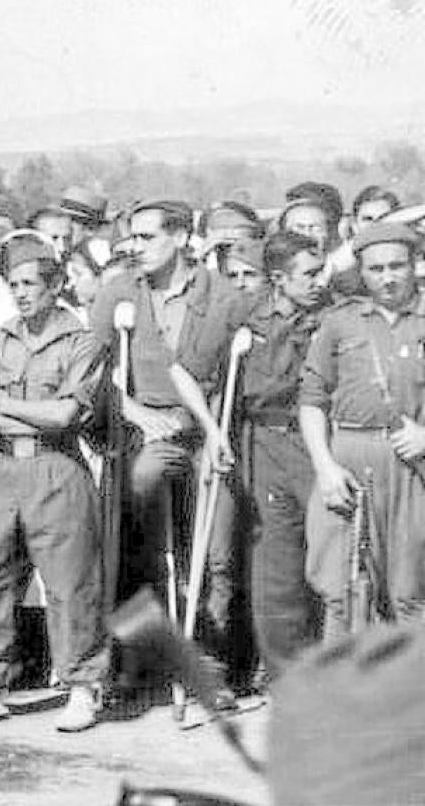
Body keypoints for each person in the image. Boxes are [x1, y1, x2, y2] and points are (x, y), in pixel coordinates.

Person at [0, 235, 107, 733]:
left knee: (70, 581)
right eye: (14, 285)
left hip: (59, 469)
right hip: (7, 469)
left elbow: (65, 416)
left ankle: (81, 685)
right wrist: (28, 416)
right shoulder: (1, 337)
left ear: (56, 285)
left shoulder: (82, 341)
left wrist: (6, 406)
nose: (22, 294)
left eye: (32, 283)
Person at [88, 200, 256, 689]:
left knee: (217, 548)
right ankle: (136, 655)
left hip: (206, 431)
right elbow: (91, 368)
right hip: (147, 428)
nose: (135, 248)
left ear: (182, 238)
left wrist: (212, 428)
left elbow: (236, 371)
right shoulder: (119, 292)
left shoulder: (222, 295)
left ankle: (211, 658)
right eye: (132, 239)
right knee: (134, 522)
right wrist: (134, 411)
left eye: (147, 238)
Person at [299, 220, 425, 631]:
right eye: (376, 269)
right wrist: (325, 467)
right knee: (343, 590)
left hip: (413, 468)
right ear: (361, 271)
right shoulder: (341, 322)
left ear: (415, 264)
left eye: (397, 266)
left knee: (410, 591)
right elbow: (312, 400)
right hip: (348, 461)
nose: (387, 278)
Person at [241, 231, 330, 672]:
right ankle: (284, 670)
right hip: (266, 444)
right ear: (279, 278)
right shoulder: (246, 317)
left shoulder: (332, 317)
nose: (319, 281)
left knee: (329, 554)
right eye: (309, 274)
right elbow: (191, 369)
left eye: (321, 271)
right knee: (276, 562)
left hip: (318, 442)